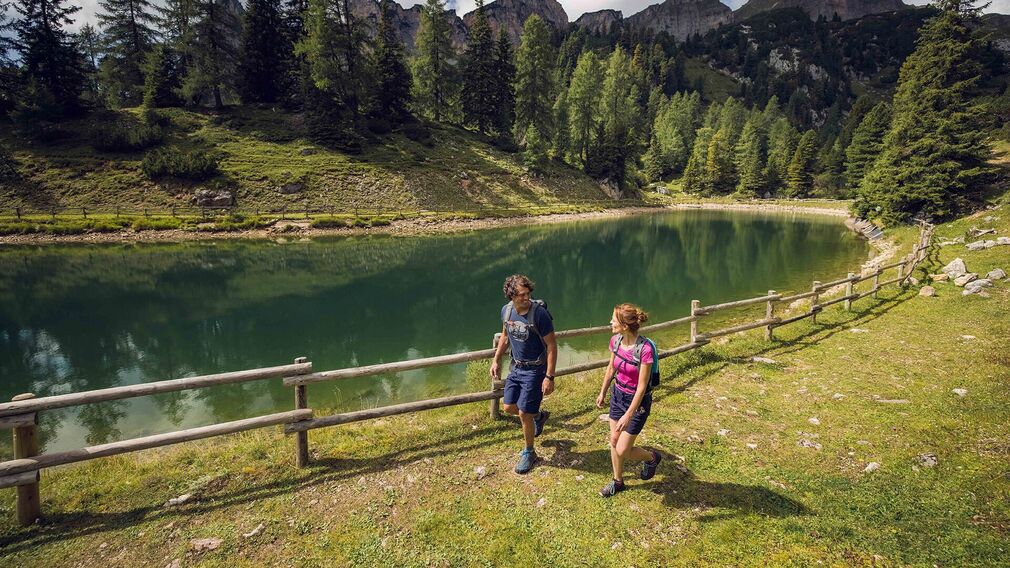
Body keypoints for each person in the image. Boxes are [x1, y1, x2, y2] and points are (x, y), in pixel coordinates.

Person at [490, 274, 558, 474]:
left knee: (523, 413)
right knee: (509, 406)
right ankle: (539, 415)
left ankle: (529, 452)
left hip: (536, 369)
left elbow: (552, 346)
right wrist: (496, 359)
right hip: (516, 367)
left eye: (528, 293)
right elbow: (504, 336)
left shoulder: (540, 315)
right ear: (510, 295)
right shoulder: (507, 311)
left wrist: (549, 376)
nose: (526, 297)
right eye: (521, 294)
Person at [595, 303, 662, 497]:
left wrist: (629, 414)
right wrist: (603, 392)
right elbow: (610, 369)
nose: (610, 322)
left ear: (625, 325)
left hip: (637, 402)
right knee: (614, 440)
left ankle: (652, 458)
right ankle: (618, 481)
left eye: (614, 320)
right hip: (618, 395)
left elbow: (642, 387)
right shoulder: (615, 341)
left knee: (623, 448)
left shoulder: (645, 349)